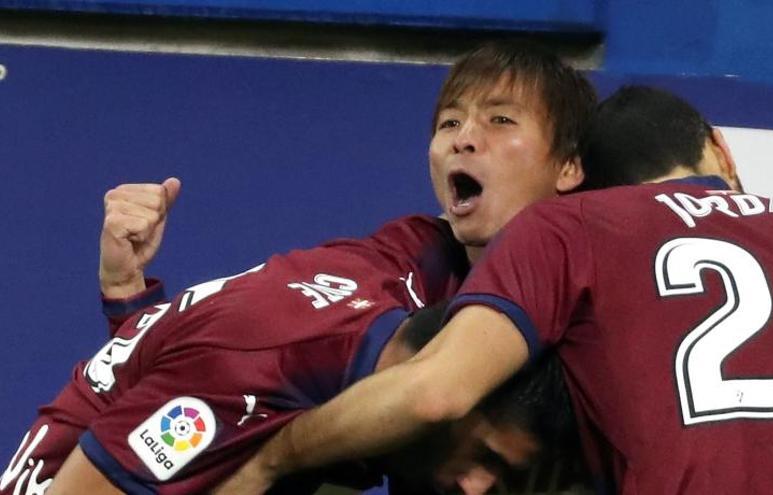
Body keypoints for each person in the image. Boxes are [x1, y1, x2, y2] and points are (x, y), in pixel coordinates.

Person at [216, 86, 773, 494]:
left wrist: (274, 457)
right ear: (720, 150)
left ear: (587, 181)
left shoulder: (575, 224)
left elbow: (436, 389)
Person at [4, 39, 598, 495]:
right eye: (449, 122)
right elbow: (215, 371)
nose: (464, 139)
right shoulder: (284, 355)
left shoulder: (437, 265)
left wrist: (131, 305)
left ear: (571, 165)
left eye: (500, 120)